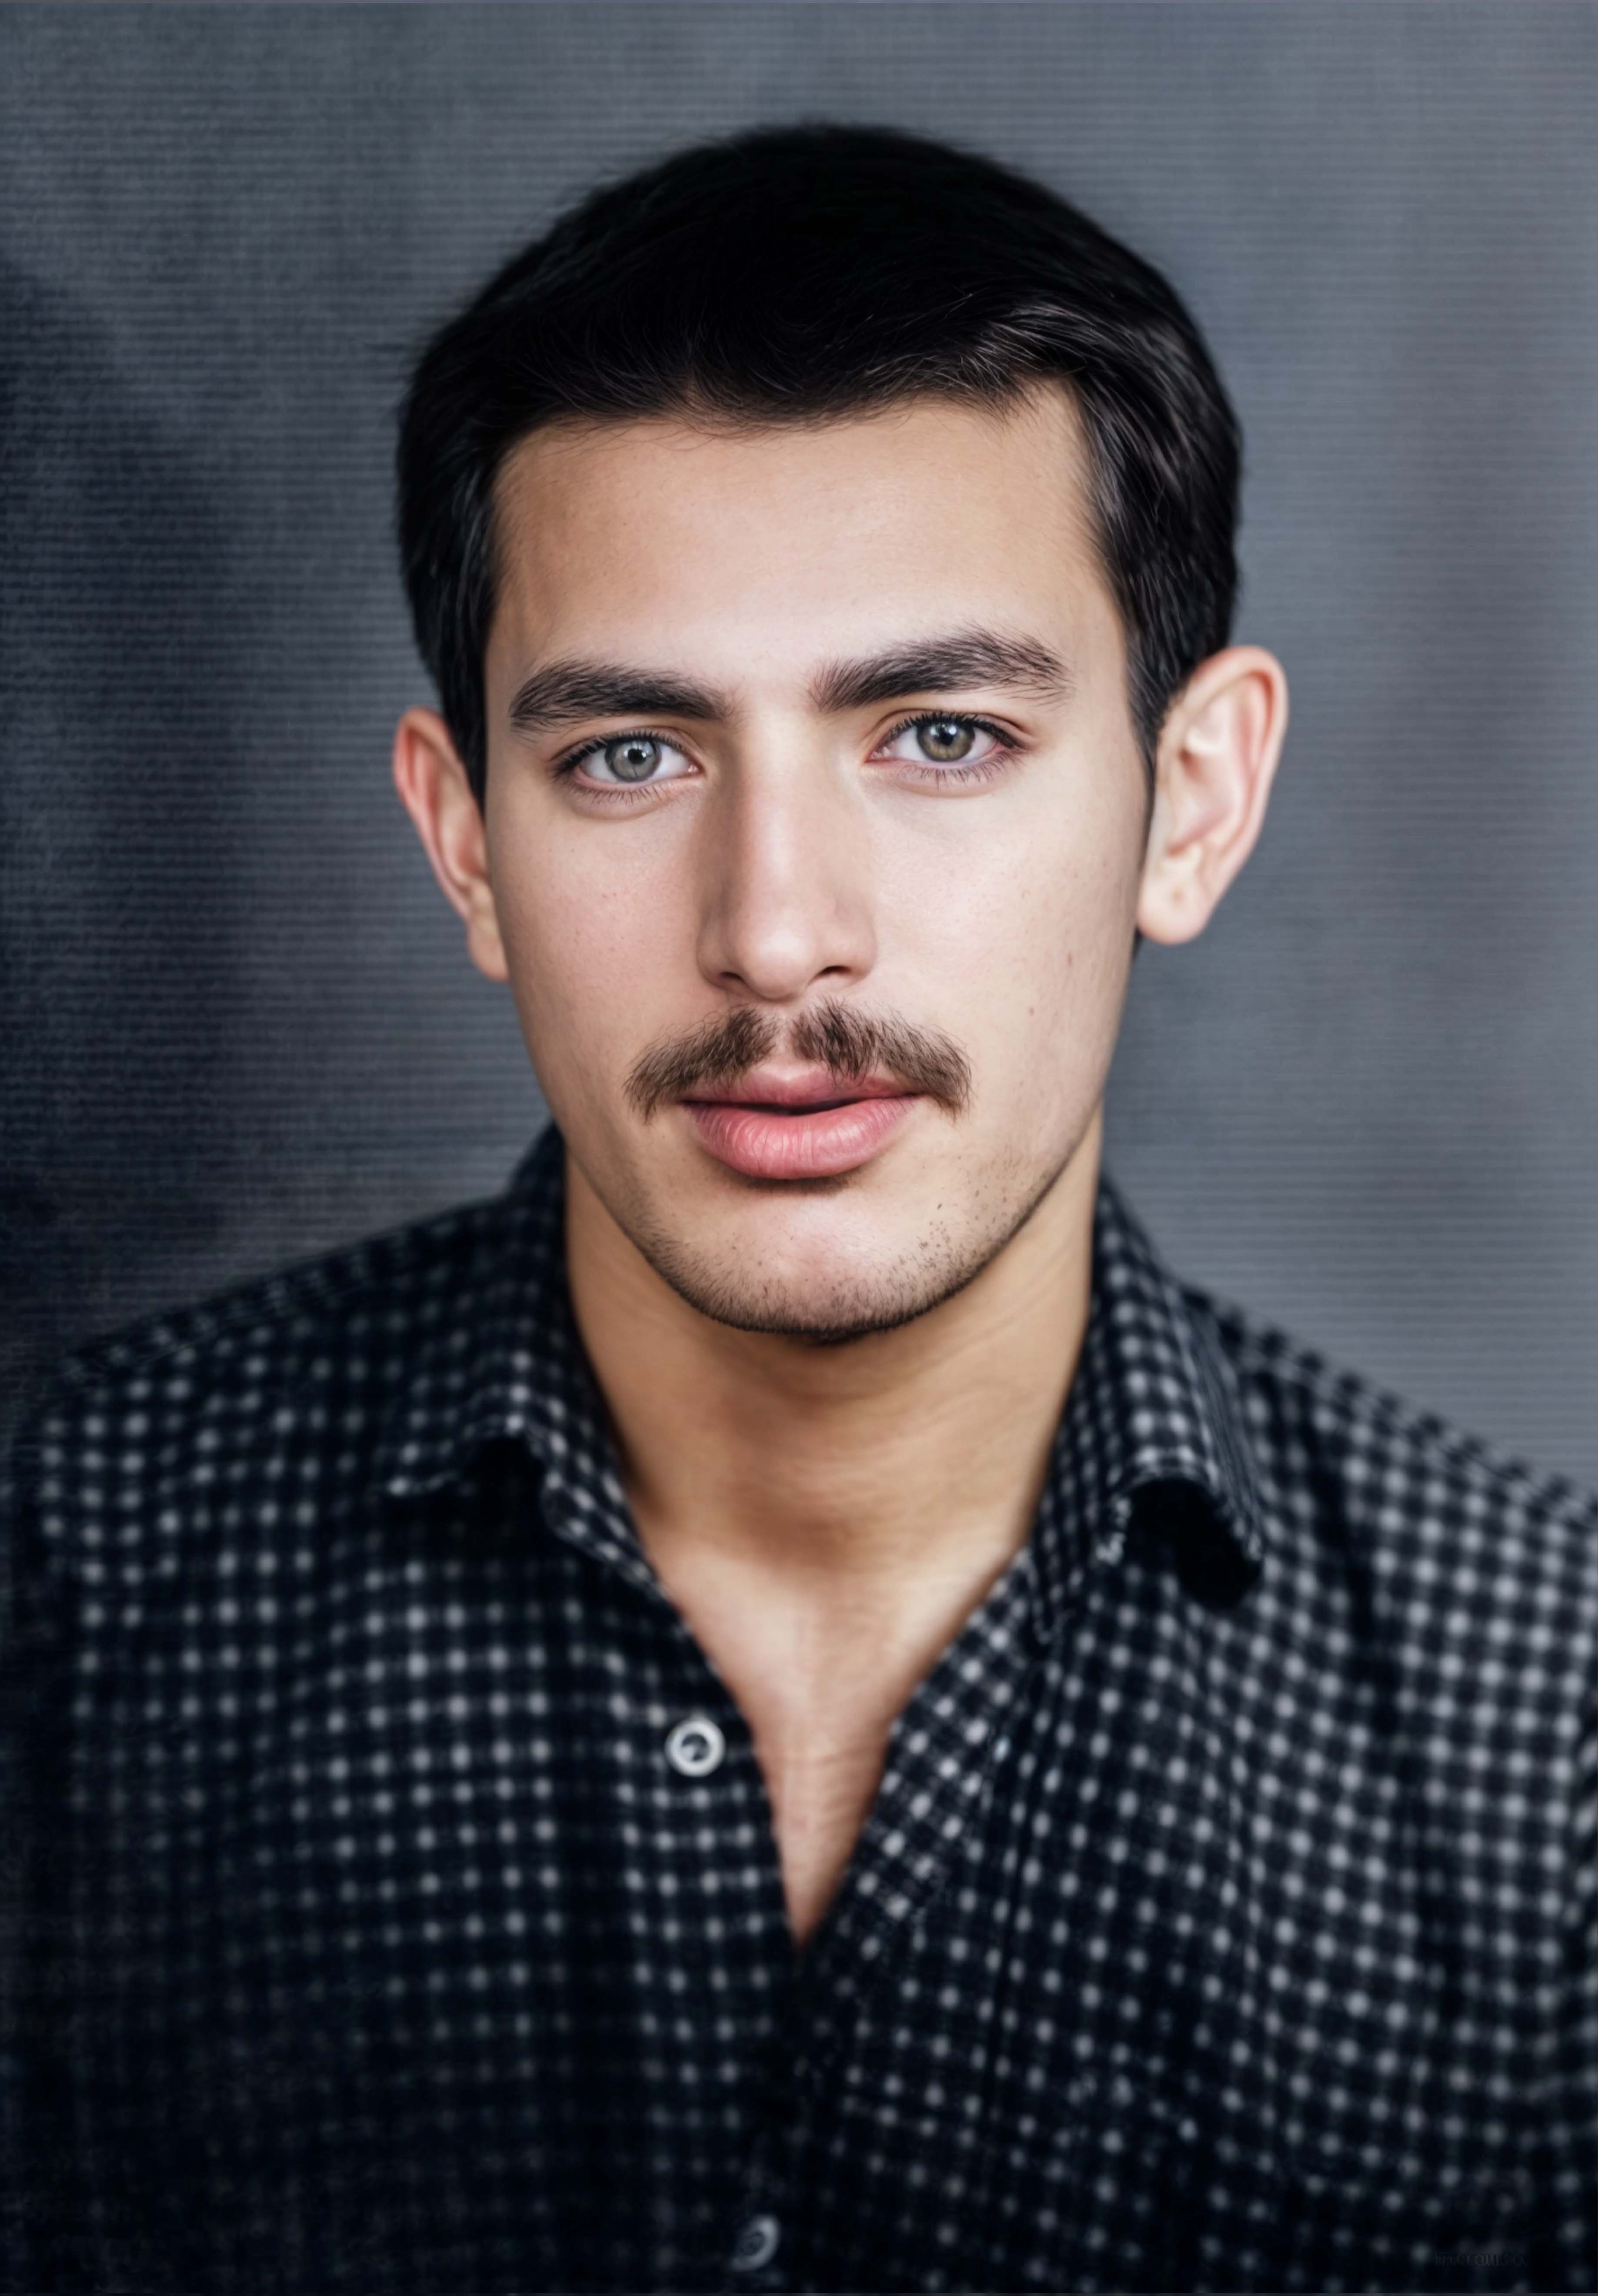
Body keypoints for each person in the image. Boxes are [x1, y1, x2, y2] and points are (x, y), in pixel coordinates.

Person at [3, 122, 1593, 2296]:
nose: (771, 936)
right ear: (465, 844)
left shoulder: (1547, 1738)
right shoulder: (72, 1589)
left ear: (1191, 802)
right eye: (630, 757)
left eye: (939, 737)